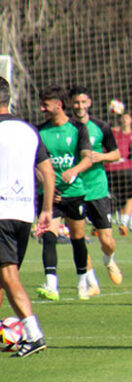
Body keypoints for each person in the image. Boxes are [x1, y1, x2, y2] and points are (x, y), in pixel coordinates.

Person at [0, 76, 51, 357]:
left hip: (2, 212)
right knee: (4, 275)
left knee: (9, 276)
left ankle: (33, 334)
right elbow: (47, 170)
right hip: (23, 212)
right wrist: (46, 209)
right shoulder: (28, 130)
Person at [35, 85, 93, 301]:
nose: (42, 109)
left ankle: (82, 282)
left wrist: (73, 170)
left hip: (75, 192)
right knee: (48, 235)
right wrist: (47, 183)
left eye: (46, 105)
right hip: (50, 195)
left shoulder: (78, 129)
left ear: (58, 106)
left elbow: (88, 157)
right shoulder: (39, 131)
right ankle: (51, 285)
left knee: (78, 238)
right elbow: (34, 164)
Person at [69, 86, 124, 295]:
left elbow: (116, 153)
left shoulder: (101, 126)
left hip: (98, 189)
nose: (80, 106)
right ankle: (92, 283)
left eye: (83, 102)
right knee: (79, 237)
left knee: (107, 241)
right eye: (76, 102)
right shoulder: (67, 128)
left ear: (89, 103)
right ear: (71, 103)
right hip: (75, 189)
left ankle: (109, 260)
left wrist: (99, 157)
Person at [106, 112, 132, 236]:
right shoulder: (115, 133)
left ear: (131, 120)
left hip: (126, 170)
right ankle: (124, 223)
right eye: (122, 118)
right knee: (128, 197)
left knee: (127, 198)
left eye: (126, 118)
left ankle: (125, 222)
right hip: (116, 170)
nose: (124, 120)